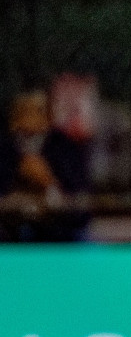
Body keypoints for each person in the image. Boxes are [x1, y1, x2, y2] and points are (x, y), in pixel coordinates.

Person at [0, 81, 94, 242]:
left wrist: (47, 181)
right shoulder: (5, 148)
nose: (29, 118)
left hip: (58, 232)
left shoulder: (65, 148)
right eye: (24, 111)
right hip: (10, 231)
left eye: (37, 111)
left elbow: (80, 209)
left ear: (48, 117)